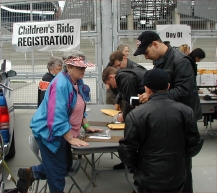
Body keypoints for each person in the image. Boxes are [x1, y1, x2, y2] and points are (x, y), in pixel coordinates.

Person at [16, 51, 103, 193]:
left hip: (62, 131)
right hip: (50, 132)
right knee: (57, 175)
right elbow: (56, 116)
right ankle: (39, 176)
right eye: (80, 67)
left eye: (84, 67)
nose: (83, 70)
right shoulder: (60, 84)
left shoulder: (76, 81)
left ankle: (31, 173)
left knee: (65, 165)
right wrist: (70, 138)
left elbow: (79, 106)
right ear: (68, 67)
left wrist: (86, 126)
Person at [134, 31, 202, 193]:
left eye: (146, 52)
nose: (145, 57)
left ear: (155, 44)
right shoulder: (160, 61)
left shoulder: (181, 61)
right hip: (167, 117)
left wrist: (154, 98)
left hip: (180, 120)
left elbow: (185, 92)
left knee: (181, 165)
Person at [118, 69, 204, 193]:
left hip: (148, 176)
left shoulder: (136, 114)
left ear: (147, 89)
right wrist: (180, 157)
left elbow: (126, 150)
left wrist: (140, 164)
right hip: (177, 175)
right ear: (168, 86)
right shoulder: (186, 111)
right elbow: (195, 143)